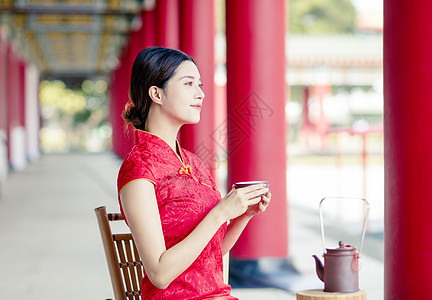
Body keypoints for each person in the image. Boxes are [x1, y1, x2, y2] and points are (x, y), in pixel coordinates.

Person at [117, 46, 271, 300]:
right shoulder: (139, 168)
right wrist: (220, 212)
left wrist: (242, 215)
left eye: (199, 85)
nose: (200, 94)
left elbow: (212, 252)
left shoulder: (193, 162)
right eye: (189, 84)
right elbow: (159, 273)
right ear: (156, 93)